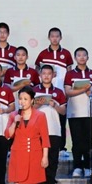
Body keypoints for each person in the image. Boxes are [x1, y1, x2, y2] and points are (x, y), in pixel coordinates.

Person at [5, 85, 50, 184]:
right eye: (20, 99)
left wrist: (45, 156)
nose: (22, 102)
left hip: (35, 155)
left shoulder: (40, 115)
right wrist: (14, 122)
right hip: (18, 154)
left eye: (25, 99)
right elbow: (8, 135)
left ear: (31, 100)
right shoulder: (14, 115)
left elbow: (45, 138)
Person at [34, 27, 72, 158]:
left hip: (60, 92)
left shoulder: (66, 54)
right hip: (43, 92)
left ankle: (62, 147)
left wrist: (67, 90)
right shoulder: (43, 54)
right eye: (52, 36)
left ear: (60, 38)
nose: (55, 38)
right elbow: (37, 69)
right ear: (49, 38)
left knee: (61, 120)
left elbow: (69, 72)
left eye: (57, 36)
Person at [64, 47, 92, 178]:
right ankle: (77, 166)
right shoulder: (70, 74)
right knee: (76, 140)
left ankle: (88, 166)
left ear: (88, 57)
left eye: (84, 55)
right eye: (79, 55)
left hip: (90, 112)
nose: (81, 57)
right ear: (75, 58)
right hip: (74, 112)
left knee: (88, 140)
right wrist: (83, 90)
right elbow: (68, 92)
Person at [34, 65, 67, 184]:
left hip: (54, 129)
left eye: (49, 73)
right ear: (40, 75)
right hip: (37, 130)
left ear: (53, 75)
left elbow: (63, 111)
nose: (46, 76)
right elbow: (27, 108)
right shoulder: (34, 90)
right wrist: (39, 103)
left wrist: (55, 105)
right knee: (39, 158)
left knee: (53, 158)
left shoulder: (59, 92)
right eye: (44, 73)